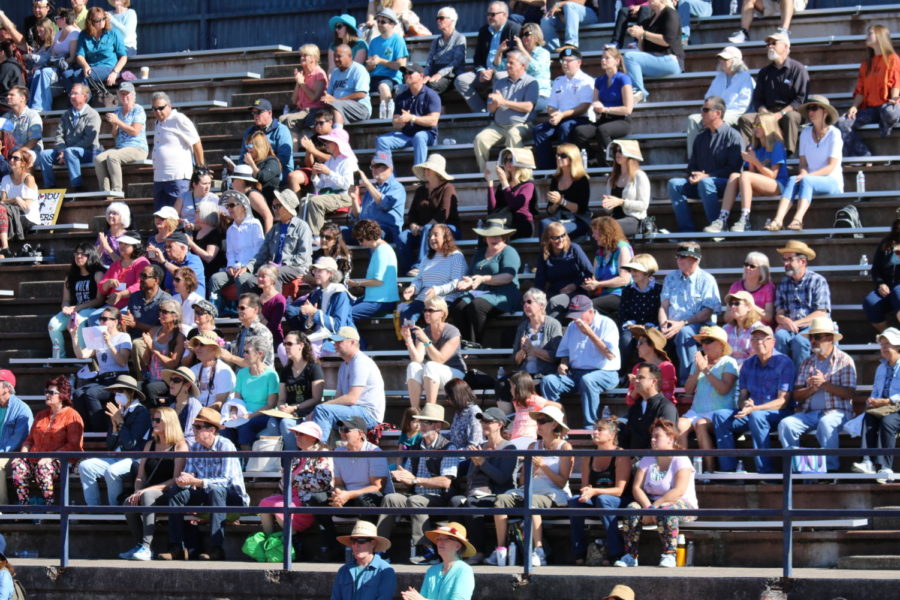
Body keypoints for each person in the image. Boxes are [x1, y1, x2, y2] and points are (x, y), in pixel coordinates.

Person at [157, 407, 249, 561]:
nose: (194, 430)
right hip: (206, 494)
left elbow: (226, 481)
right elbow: (190, 474)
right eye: (194, 426)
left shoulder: (226, 445)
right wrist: (184, 481)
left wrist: (196, 481)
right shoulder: (195, 447)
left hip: (233, 498)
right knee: (176, 493)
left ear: (212, 430)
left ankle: (216, 549)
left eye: (198, 427)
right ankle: (176, 547)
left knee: (216, 491)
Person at [487, 405, 572, 568]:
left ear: (554, 425)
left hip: (554, 495)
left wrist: (543, 466)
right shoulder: (533, 447)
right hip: (529, 491)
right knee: (500, 500)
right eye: (537, 421)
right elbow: (522, 482)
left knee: (531, 504)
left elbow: (562, 482)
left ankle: (539, 551)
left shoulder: (565, 447)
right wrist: (528, 471)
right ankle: (501, 549)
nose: (538, 424)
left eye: (542, 421)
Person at [378, 404, 459, 564]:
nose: (420, 426)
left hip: (438, 498)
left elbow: (445, 482)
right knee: (391, 498)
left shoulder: (448, 447)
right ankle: (381, 549)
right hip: (416, 495)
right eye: (420, 422)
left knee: (415, 501)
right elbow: (409, 479)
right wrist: (402, 477)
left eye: (425, 423)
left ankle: (427, 550)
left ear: (437, 426)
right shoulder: (415, 447)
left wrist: (415, 480)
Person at [615, 418, 698, 568]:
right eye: (652, 436)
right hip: (651, 504)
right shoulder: (647, 459)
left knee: (665, 510)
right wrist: (648, 508)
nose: (652, 440)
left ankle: (669, 554)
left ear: (671, 438)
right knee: (631, 509)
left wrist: (654, 508)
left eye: (657, 437)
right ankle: (630, 555)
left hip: (681, 504)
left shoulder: (681, 459)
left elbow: (678, 490)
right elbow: (637, 488)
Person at [711, 322, 794, 473]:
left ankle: (765, 471)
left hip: (778, 413)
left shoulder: (785, 362)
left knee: (757, 416)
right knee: (719, 416)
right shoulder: (748, 364)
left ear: (773, 341)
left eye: (764, 339)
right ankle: (728, 470)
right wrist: (745, 405)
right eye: (755, 339)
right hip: (753, 412)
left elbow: (783, 401)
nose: (759, 342)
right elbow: (742, 396)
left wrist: (755, 408)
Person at [778, 318, 856, 472]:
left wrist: (824, 384)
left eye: (817, 337)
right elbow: (796, 395)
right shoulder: (807, 362)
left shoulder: (845, 360)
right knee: (786, 424)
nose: (813, 341)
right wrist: (811, 389)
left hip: (838, 412)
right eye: (811, 337)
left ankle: (830, 470)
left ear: (829, 338)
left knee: (826, 423)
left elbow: (849, 393)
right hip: (810, 413)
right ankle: (797, 468)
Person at [118, 406, 188, 561]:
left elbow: (175, 478)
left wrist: (146, 490)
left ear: (169, 423)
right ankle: (139, 544)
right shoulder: (149, 445)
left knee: (148, 495)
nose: (154, 423)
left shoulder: (180, 446)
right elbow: (140, 475)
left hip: (167, 491)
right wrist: (137, 491)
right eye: (153, 420)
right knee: (128, 503)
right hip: (147, 491)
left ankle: (146, 546)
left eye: (158, 420)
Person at [540, 295, 620, 429]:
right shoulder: (572, 326)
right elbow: (564, 352)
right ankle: (554, 424)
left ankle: (590, 427)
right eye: (573, 315)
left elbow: (610, 355)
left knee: (588, 380)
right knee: (549, 381)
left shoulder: (607, 324)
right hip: (576, 374)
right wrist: (563, 364)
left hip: (605, 372)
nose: (576, 319)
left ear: (590, 311)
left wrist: (590, 333)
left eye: (579, 315)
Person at [766, 96, 843, 232]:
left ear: (825, 111)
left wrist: (807, 175)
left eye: (814, 108)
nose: (810, 112)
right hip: (810, 179)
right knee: (792, 179)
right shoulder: (806, 133)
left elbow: (831, 167)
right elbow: (803, 164)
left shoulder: (835, 134)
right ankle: (777, 220)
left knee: (806, 180)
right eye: (808, 109)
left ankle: (798, 220)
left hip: (832, 181)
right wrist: (803, 173)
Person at [449, 407, 516, 564]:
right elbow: (471, 476)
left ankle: (478, 551)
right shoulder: (481, 446)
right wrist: (476, 463)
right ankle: (456, 550)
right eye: (482, 421)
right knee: (455, 501)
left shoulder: (509, 448)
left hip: (498, 493)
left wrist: (482, 462)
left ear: (500, 424)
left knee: (473, 503)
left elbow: (502, 478)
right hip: (476, 493)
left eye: (488, 421)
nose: (483, 424)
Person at [668, 96, 744, 232]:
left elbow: (734, 169)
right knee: (674, 184)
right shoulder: (700, 138)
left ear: (718, 113)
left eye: (705, 110)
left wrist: (707, 176)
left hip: (726, 185)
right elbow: (692, 166)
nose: (701, 113)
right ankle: (687, 230)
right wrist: (694, 175)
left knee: (706, 183)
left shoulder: (733, 136)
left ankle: (718, 225)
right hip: (703, 183)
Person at [706, 112, 788, 233]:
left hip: (777, 184)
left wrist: (754, 161)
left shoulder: (777, 145)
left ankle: (745, 219)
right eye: (754, 124)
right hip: (760, 184)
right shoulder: (754, 147)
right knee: (734, 176)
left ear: (768, 125)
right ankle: (722, 219)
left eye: (758, 124)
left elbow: (773, 175)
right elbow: (751, 174)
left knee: (744, 175)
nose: (755, 127)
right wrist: (751, 162)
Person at [11, 375, 84, 505]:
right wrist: (22, 456)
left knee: (43, 467)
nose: (47, 395)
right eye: (46, 392)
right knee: (18, 466)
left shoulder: (72, 415)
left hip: (62, 461)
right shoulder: (41, 415)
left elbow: (73, 445)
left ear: (62, 395)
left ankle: (49, 505)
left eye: (51, 392)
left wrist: (51, 457)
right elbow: (29, 440)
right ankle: (24, 505)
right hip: (36, 459)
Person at [78, 374, 150, 505]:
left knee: (112, 471)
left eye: (120, 391)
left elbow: (130, 444)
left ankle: (115, 509)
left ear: (132, 392)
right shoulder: (117, 411)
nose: (117, 394)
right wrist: (116, 429)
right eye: (116, 392)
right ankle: (95, 511)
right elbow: (110, 445)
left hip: (134, 458)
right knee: (85, 466)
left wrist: (121, 422)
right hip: (116, 456)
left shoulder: (142, 412)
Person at [568, 416, 631, 566]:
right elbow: (585, 486)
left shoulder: (621, 455)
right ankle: (579, 553)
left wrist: (594, 491)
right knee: (574, 502)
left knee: (604, 499)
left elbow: (619, 491)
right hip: (598, 499)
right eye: (595, 429)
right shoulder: (588, 456)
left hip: (619, 500)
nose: (595, 432)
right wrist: (586, 492)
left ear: (612, 435)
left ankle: (616, 552)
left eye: (600, 430)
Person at [451, 219, 523, 345]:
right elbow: (471, 274)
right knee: (458, 305)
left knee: (477, 305)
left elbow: (508, 276)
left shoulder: (509, 252)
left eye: (497, 236)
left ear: (504, 237)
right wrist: (468, 281)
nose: (494, 239)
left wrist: (484, 279)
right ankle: (464, 343)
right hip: (480, 292)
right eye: (490, 235)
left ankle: (476, 344)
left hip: (504, 293)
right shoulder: (480, 253)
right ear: (485, 237)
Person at [258, 421, 332, 538]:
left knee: (280, 508)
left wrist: (295, 479)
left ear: (313, 437)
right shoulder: (298, 456)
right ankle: (270, 540)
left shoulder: (323, 454)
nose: (297, 437)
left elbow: (322, 482)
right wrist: (285, 478)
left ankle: (293, 543)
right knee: (264, 503)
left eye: (301, 434)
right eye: (296, 434)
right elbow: (284, 483)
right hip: (291, 496)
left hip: (308, 499)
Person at [658, 241, 721, 381]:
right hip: (671, 323)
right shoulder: (671, 277)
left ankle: (688, 379)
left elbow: (707, 313)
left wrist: (682, 323)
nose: (679, 260)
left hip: (699, 325)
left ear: (696, 259)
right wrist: (663, 325)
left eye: (684, 257)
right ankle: (659, 379)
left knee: (685, 333)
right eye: (678, 256)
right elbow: (663, 306)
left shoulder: (707, 280)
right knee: (650, 335)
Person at [737, 32, 807, 156]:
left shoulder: (798, 69)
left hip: (789, 111)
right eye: (768, 44)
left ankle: (787, 155)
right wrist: (764, 111)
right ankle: (751, 152)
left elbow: (800, 99)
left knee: (791, 117)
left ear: (786, 47)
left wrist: (780, 114)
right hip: (768, 111)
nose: (769, 46)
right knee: (745, 119)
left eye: (774, 43)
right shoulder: (764, 72)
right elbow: (758, 98)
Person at [678, 326, 739, 468]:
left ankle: (709, 471)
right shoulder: (699, 363)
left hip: (719, 412)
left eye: (708, 341)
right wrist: (697, 371)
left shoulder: (729, 362)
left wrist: (705, 370)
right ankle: (683, 469)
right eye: (702, 342)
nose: (704, 345)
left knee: (700, 425)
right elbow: (688, 390)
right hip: (697, 411)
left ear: (721, 344)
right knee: (679, 425)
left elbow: (724, 389)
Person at [309, 327, 385, 436]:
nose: (335, 344)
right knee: (318, 414)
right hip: (355, 412)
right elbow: (339, 397)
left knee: (322, 411)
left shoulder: (360, 362)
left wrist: (322, 407)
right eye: (334, 341)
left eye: (339, 341)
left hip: (369, 416)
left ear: (353, 342)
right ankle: (326, 449)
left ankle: (320, 450)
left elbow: (351, 399)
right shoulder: (344, 366)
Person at [838, 25, 900, 157]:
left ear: (879, 36)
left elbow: (896, 82)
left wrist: (894, 99)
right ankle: (864, 155)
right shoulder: (866, 64)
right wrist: (854, 106)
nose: (867, 36)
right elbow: (861, 90)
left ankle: (885, 127)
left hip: (887, 106)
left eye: (870, 33)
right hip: (872, 109)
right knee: (842, 123)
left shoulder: (893, 59)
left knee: (890, 112)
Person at [473, 49, 538, 174]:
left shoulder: (531, 82)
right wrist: (495, 103)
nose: (507, 65)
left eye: (511, 63)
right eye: (507, 62)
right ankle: (485, 174)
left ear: (522, 66)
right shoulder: (500, 82)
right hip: (499, 126)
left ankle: (518, 175)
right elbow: (491, 109)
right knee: (480, 139)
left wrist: (504, 102)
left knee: (513, 134)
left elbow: (528, 107)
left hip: (522, 125)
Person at [685, 46, 755, 159]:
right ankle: (693, 159)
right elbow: (708, 98)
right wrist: (708, 113)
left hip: (735, 114)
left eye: (725, 59)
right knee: (693, 119)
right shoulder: (719, 77)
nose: (721, 62)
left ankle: (717, 157)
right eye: (721, 59)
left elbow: (743, 106)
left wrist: (718, 115)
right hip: (716, 112)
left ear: (736, 61)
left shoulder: (745, 77)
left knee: (721, 121)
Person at [71, 305, 132, 431]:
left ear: (115, 322)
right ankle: (86, 430)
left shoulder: (123, 337)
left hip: (118, 378)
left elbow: (122, 362)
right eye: (101, 318)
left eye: (105, 319)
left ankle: (100, 430)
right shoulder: (98, 338)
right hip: (103, 379)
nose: (102, 322)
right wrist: (73, 335)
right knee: (77, 394)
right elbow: (81, 355)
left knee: (90, 393)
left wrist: (109, 343)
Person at [570, 46, 634, 166]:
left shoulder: (624, 79)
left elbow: (628, 109)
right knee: (580, 131)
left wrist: (606, 109)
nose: (603, 60)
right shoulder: (599, 80)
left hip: (622, 121)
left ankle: (610, 164)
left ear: (617, 61)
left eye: (607, 58)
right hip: (603, 119)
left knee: (602, 130)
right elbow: (595, 102)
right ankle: (592, 160)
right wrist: (596, 106)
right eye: (602, 58)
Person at [241, 189, 313, 293]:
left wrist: (281, 265)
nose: (274, 210)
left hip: (296, 267)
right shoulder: (274, 229)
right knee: (250, 282)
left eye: (277, 206)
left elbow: (303, 257)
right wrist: (248, 267)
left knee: (275, 274)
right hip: (273, 268)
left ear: (287, 208)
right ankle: (256, 308)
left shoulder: (302, 227)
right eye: (273, 206)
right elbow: (262, 254)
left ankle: (276, 307)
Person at [532, 46, 593, 170]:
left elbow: (584, 107)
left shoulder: (586, 81)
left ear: (578, 62)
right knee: (539, 130)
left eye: (569, 60)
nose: (565, 64)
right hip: (560, 118)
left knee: (565, 128)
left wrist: (562, 115)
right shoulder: (558, 81)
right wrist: (554, 115)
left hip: (579, 119)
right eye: (563, 61)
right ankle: (547, 169)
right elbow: (551, 105)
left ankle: (567, 168)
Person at [773, 240, 831, 368]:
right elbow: (779, 313)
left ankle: (801, 381)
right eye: (784, 260)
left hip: (813, 326)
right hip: (790, 327)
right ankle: (782, 378)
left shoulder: (818, 281)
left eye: (790, 259)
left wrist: (794, 324)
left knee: (800, 341)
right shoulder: (783, 284)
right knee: (779, 336)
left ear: (803, 261)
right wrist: (783, 320)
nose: (786, 263)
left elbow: (821, 313)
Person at [454, 2, 520, 113]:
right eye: (488, 14)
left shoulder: (514, 29)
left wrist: (493, 71)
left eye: (493, 14)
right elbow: (478, 57)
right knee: (461, 80)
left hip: (504, 71)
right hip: (484, 73)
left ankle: (497, 111)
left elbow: (515, 56)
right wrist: (481, 71)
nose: (489, 17)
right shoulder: (484, 30)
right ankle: (482, 112)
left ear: (504, 14)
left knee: (499, 76)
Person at [400, 154, 460, 275]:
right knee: (403, 236)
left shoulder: (448, 188)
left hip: (448, 229)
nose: (425, 171)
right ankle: (406, 272)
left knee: (429, 229)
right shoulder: (420, 190)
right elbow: (412, 214)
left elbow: (444, 215)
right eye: (425, 168)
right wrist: (413, 225)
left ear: (437, 172)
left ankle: (420, 266)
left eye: (429, 169)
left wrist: (423, 228)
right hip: (422, 231)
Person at [854, 327, 900, 483]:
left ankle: (885, 467)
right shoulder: (881, 367)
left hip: (897, 408)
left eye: (888, 344)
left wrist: (888, 401)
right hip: (884, 407)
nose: (884, 347)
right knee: (869, 417)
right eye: (882, 344)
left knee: (888, 422)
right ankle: (867, 461)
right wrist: (872, 400)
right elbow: (876, 391)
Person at [375, 64, 441, 170]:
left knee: (419, 136)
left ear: (420, 75)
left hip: (427, 135)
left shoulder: (431, 95)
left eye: (410, 73)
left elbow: (433, 121)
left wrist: (412, 118)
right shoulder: (401, 97)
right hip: (407, 135)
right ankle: (388, 176)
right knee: (381, 140)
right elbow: (395, 123)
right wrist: (399, 122)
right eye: (405, 73)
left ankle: (419, 174)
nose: (406, 75)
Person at [403, 298, 465, 408]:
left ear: (442, 313)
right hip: (432, 374)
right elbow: (417, 359)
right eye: (425, 310)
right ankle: (414, 410)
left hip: (455, 373)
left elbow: (440, 359)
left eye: (431, 310)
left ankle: (430, 410)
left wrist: (426, 340)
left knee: (431, 365)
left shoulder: (452, 331)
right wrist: (408, 339)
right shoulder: (425, 332)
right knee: (413, 366)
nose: (426, 313)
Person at [36, 82, 99, 190]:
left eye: (75, 93)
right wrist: (62, 150)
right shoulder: (66, 114)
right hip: (66, 152)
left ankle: (77, 186)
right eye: (71, 94)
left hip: (88, 152)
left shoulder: (92, 114)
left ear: (85, 96)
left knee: (71, 152)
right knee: (44, 155)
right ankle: (50, 186)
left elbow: (88, 139)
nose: (71, 96)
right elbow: (59, 136)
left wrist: (66, 152)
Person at [400, 223, 467, 324]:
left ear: (445, 237)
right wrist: (413, 288)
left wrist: (436, 290)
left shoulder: (456, 256)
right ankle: (413, 340)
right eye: (430, 235)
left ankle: (426, 339)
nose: (431, 238)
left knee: (432, 315)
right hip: (423, 300)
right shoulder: (427, 257)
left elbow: (456, 283)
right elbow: (419, 279)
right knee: (406, 316)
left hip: (443, 300)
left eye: (436, 235)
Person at [46, 243, 105, 359]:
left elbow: (100, 300)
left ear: (90, 256)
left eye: (83, 254)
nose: (79, 257)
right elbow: (66, 299)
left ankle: (82, 356)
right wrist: (65, 308)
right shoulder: (70, 276)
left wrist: (77, 308)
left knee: (79, 320)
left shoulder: (98, 274)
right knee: (53, 324)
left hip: (92, 310)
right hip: (74, 310)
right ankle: (58, 358)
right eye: (77, 254)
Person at [150, 91, 205, 211]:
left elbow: (196, 142)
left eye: (161, 108)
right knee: (161, 217)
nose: (157, 111)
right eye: (154, 109)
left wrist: (201, 167)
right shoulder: (158, 122)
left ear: (169, 106)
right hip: (160, 178)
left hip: (177, 177)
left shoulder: (179, 119)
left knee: (178, 214)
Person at [621, 0, 684, 104]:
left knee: (629, 57)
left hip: (671, 60)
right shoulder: (650, 20)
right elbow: (643, 50)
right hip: (656, 59)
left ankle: (639, 91)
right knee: (628, 61)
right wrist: (639, 37)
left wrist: (644, 33)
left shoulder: (670, 13)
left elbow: (666, 41)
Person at [207, 191, 265, 303]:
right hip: (235, 268)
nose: (229, 209)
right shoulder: (230, 230)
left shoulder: (255, 224)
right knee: (215, 279)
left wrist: (247, 267)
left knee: (241, 278)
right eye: (228, 206)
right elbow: (230, 253)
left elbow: (259, 251)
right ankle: (215, 309)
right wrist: (230, 266)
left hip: (251, 269)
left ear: (243, 206)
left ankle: (241, 310)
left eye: (232, 205)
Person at [300, 128, 357, 238]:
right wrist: (314, 175)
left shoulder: (348, 160)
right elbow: (320, 185)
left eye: (328, 141)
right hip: (329, 195)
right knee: (304, 201)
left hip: (344, 196)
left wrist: (329, 172)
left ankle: (316, 236)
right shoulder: (330, 160)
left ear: (337, 144)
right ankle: (304, 236)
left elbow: (348, 185)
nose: (325, 144)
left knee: (316, 201)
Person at [93, 81, 148, 196]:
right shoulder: (117, 111)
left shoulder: (138, 110)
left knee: (113, 157)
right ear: (118, 95)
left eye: (127, 94)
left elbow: (135, 131)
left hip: (137, 147)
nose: (125, 96)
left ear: (133, 95)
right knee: (98, 159)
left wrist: (118, 121)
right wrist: (114, 125)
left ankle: (117, 190)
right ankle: (105, 192)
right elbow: (114, 135)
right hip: (120, 147)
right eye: (122, 94)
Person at [287, 256, 354, 347]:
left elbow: (338, 327)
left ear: (330, 273)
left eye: (320, 271)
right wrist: (310, 319)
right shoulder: (317, 293)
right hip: (319, 337)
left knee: (298, 348)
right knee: (284, 348)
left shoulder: (340, 293)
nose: (316, 274)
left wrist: (314, 313)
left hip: (337, 339)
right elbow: (307, 325)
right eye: (315, 271)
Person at [400, 523, 476, 600]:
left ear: (458, 546)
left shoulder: (464, 570)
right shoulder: (432, 570)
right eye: (439, 539)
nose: (440, 542)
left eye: (446, 540)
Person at [330, 417, 390, 511]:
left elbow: (377, 487)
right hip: (347, 496)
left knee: (363, 500)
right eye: (341, 430)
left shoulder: (374, 452)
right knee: (317, 499)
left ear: (360, 434)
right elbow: (338, 483)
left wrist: (349, 495)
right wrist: (339, 494)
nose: (342, 433)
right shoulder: (338, 452)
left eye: (346, 430)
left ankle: (367, 526)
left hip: (368, 498)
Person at [535, 223, 592, 322]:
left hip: (576, 292)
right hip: (555, 291)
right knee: (532, 304)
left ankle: (551, 333)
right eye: (556, 237)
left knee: (554, 302)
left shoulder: (574, 249)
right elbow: (540, 280)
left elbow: (589, 271)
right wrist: (536, 297)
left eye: (563, 235)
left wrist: (575, 285)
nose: (561, 239)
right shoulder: (544, 254)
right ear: (548, 238)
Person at [583, 216, 633, 321]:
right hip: (603, 294)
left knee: (589, 307)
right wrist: (591, 284)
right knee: (578, 305)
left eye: (595, 232)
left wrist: (598, 284)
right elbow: (596, 278)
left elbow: (624, 279)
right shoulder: (600, 253)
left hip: (621, 294)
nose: (593, 236)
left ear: (606, 233)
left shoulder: (622, 249)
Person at [348, 220, 399, 323]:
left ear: (369, 235)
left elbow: (378, 281)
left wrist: (356, 283)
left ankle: (354, 340)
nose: (360, 243)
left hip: (381, 301)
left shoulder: (382, 251)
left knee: (346, 315)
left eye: (361, 239)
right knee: (341, 311)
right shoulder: (380, 249)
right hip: (375, 299)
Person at [332, 520, 397, 600]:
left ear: (373, 543)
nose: (356, 545)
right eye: (353, 541)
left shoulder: (385, 571)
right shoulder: (343, 570)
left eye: (361, 541)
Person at [29, 10, 79, 112]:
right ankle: (32, 106)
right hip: (54, 65)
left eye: (57, 19)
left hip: (66, 67)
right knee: (38, 72)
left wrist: (59, 62)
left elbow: (72, 58)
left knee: (45, 72)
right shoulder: (59, 34)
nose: (55, 21)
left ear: (63, 19)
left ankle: (42, 108)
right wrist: (48, 63)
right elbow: (53, 54)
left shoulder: (74, 34)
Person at [539, 144, 592, 239]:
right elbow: (549, 210)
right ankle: (546, 254)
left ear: (572, 158)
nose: (558, 158)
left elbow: (581, 209)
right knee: (543, 224)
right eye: (557, 155)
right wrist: (555, 204)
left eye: (563, 156)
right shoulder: (555, 179)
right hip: (559, 218)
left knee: (555, 229)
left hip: (577, 219)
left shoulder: (581, 179)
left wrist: (561, 201)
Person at [350, 151, 404, 245]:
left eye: (378, 166)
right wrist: (354, 199)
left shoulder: (397, 187)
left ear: (390, 168)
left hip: (387, 231)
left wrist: (367, 183)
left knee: (371, 233)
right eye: (372, 166)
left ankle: (375, 259)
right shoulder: (371, 189)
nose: (374, 169)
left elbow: (385, 205)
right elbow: (358, 217)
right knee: (338, 233)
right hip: (366, 229)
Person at [139, 298, 186, 405]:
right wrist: (147, 347)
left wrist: (152, 347)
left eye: (164, 312)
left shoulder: (179, 337)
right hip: (151, 376)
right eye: (160, 311)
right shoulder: (154, 331)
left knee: (150, 388)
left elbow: (173, 364)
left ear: (175, 316)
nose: (161, 314)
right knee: (136, 387)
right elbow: (146, 360)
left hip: (167, 380)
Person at [622, 362, 679, 449]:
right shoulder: (635, 408)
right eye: (636, 377)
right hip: (633, 460)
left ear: (654, 381)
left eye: (641, 378)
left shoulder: (666, 407)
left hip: (655, 460)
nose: (636, 381)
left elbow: (664, 441)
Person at [619, 254, 663, 367]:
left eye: (636, 270)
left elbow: (661, 311)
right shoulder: (627, 290)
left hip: (652, 328)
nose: (632, 273)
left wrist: (650, 326)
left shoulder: (659, 290)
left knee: (648, 340)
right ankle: (622, 372)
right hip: (632, 327)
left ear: (647, 271)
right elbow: (623, 312)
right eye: (631, 270)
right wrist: (630, 325)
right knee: (625, 339)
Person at [279, 44, 328, 143]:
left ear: (313, 58)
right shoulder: (302, 74)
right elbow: (294, 99)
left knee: (289, 120)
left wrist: (302, 83)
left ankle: (294, 154)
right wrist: (298, 82)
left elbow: (314, 97)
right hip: (301, 109)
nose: (302, 58)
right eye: (301, 55)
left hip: (313, 110)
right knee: (280, 119)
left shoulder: (319, 74)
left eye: (305, 55)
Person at [485, 148, 537, 239]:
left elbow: (515, 205)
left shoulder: (528, 185)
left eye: (511, 160)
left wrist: (504, 182)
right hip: (504, 222)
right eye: (505, 160)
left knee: (495, 233)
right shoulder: (503, 185)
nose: (508, 163)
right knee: (487, 230)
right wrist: (490, 184)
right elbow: (492, 209)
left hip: (521, 224)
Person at [366, 8, 409, 117]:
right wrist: (370, 64)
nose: (379, 24)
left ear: (392, 24)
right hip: (374, 78)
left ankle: (388, 117)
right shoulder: (374, 42)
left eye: (383, 22)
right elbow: (369, 67)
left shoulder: (398, 40)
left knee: (384, 86)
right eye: (378, 21)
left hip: (391, 78)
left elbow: (401, 66)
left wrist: (380, 61)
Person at [70, 6, 126, 88]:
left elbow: (123, 56)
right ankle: (77, 97)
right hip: (91, 66)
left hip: (107, 66)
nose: (102, 22)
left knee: (83, 77)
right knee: (67, 75)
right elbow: (79, 55)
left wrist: (115, 72)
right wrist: (86, 66)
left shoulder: (113, 33)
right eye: (97, 20)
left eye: (103, 18)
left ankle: (84, 99)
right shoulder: (84, 34)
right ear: (90, 22)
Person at [0, 370, 34, 506]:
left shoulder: (21, 409)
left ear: (6, 388)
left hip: (11, 455)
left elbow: (17, 441)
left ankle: (2, 507)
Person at [623, 325, 677, 407]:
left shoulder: (666, 367)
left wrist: (642, 385)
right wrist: (636, 387)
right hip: (641, 412)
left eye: (640, 343)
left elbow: (667, 398)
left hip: (660, 414)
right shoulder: (637, 367)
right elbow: (629, 401)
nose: (637, 346)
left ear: (652, 345)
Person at [241, 98, 294, 182]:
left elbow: (283, 159)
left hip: (278, 171)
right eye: (254, 113)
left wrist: (261, 169)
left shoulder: (281, 130)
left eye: (258, 112)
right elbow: (243, 157)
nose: (255, 116)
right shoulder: (250, 132)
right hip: (255, 170)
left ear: (269, 113)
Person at [96, 232, 148, 312]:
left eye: (126, 244)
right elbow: (102, 288)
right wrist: (108, 283)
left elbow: (140, 285)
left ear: (135, 246)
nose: (121, 247)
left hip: (133, 305)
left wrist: (121, 294)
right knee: (93, 318)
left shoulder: (142, 263)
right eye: (120, 243)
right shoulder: (116, 264)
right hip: (113, 305)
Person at [864, 219, 900, 332]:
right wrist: (880, 283)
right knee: (871, 302)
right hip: (887, 287)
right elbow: (876, 269)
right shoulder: (886, 243)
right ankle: (889, 337)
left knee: (898, 294)